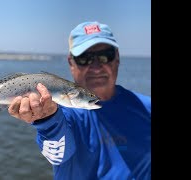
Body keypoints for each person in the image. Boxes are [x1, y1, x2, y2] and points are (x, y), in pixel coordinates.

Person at [8, 21, 151, 180]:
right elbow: (57, 156)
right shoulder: (63, 112)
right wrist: (48, 121)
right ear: (71, 63)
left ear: (117, 57)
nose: (96, 68)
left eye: (105, 56)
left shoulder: (148, 108)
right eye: (84, 58)